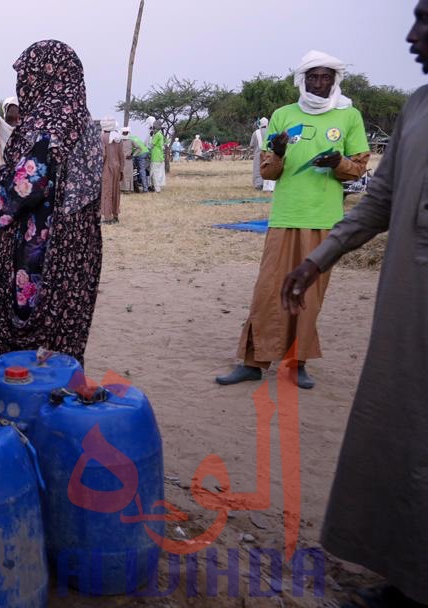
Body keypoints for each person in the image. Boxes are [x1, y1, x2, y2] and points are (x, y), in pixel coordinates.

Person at [281, 8, 428, 604]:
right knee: (404, 430)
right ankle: (408, 575)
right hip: (407, 309)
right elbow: (379, 200)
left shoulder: (356, 117)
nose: (410, 36)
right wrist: (320, 259)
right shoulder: (418, 105)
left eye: (425, 20)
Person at [216, 50, 369, 390]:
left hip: (324, 219)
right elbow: (269, 169)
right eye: (312, 77)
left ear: (335, 81)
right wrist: (281, 152)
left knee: (309, 294)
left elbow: (358, 168)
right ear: (302, 80)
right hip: (284, 217)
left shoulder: (349, 116)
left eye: (326, 77)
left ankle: (296, 363)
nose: (319, 83)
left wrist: (337, 163)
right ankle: (253, 362)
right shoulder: (283, 114)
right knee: (268, 290)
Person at [0, 40, 104, 406]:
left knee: (29, 349)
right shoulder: (85, 123)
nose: (23, 85)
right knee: (64, 341)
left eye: (26, 76)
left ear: (42, 77)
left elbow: (19, 192)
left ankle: (25, 425)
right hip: (78, 252)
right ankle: (64, 418)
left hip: (41, 253)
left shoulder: (45, 124)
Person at [100, 118, 123, 223]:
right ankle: (115, 216)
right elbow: (121, 155)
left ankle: (108, 217)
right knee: (115, 191)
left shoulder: (102, 137)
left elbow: (103, 155)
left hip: (107, 168)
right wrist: (121, 170)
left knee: (107, 192)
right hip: (117, 167)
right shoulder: (118, 137)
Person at [250, 117, 276, 192]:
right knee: (268, 169)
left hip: (258, 154)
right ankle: (269, 186)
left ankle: (258, 184)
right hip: (269, 154)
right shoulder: (271, 132)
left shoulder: (256, 133)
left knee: (258, 169)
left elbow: (251, 145)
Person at [148, 118, 166, 193]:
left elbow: (151, 145)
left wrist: (151, 137)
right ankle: (155, 187)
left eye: (153, 128)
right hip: (160, 157)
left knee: (154, 174)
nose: (153, 130)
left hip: (155, 157)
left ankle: (157, 189)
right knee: (159, 173)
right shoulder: (161, 135)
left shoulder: (156, 135)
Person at [119, 126, 134, 192]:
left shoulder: (131, 140)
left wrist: (132, 155)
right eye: (123, 133)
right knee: (122, 174)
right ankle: (122, 189)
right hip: (121, 160)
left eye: (126, 132)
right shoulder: (119, 141)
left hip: (128, 160)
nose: (124, 134)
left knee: (128, 175)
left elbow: (139, 148)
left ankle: (128, 189)